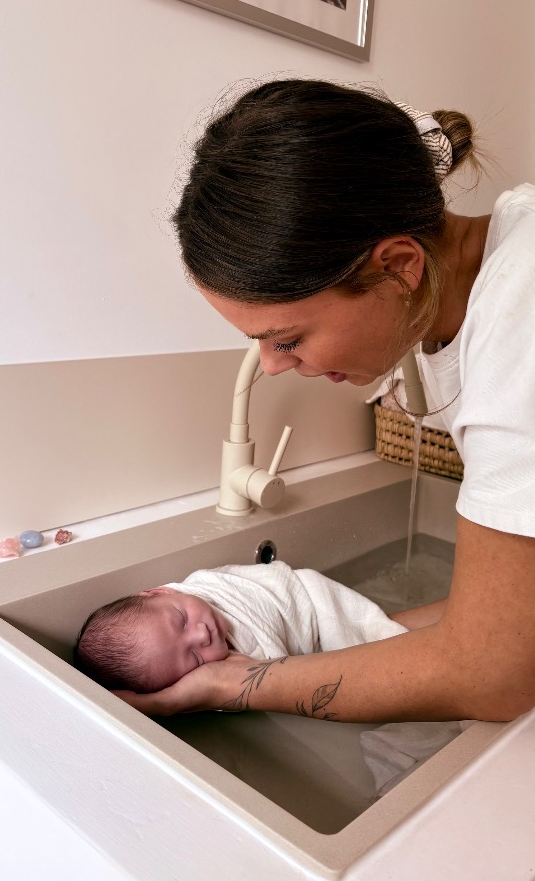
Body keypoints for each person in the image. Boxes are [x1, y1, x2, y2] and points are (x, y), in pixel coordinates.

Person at [117, 79, 535, 723]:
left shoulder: (519, 317)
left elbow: (493, 676)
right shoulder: (468, 292)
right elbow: (496, 625)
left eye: (286, 338)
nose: (272, 366)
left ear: (399, 266)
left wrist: (231, 685)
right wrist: (360, 639)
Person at [73, 560, 408, 694]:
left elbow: (269, 585)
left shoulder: (203, 584)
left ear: (160, 592)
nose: (201, 634)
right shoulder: (234, 661)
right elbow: (269, 673)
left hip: (308, 596)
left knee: (373, 646)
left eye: (182, 620)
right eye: (195, 658)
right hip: (307, 630)